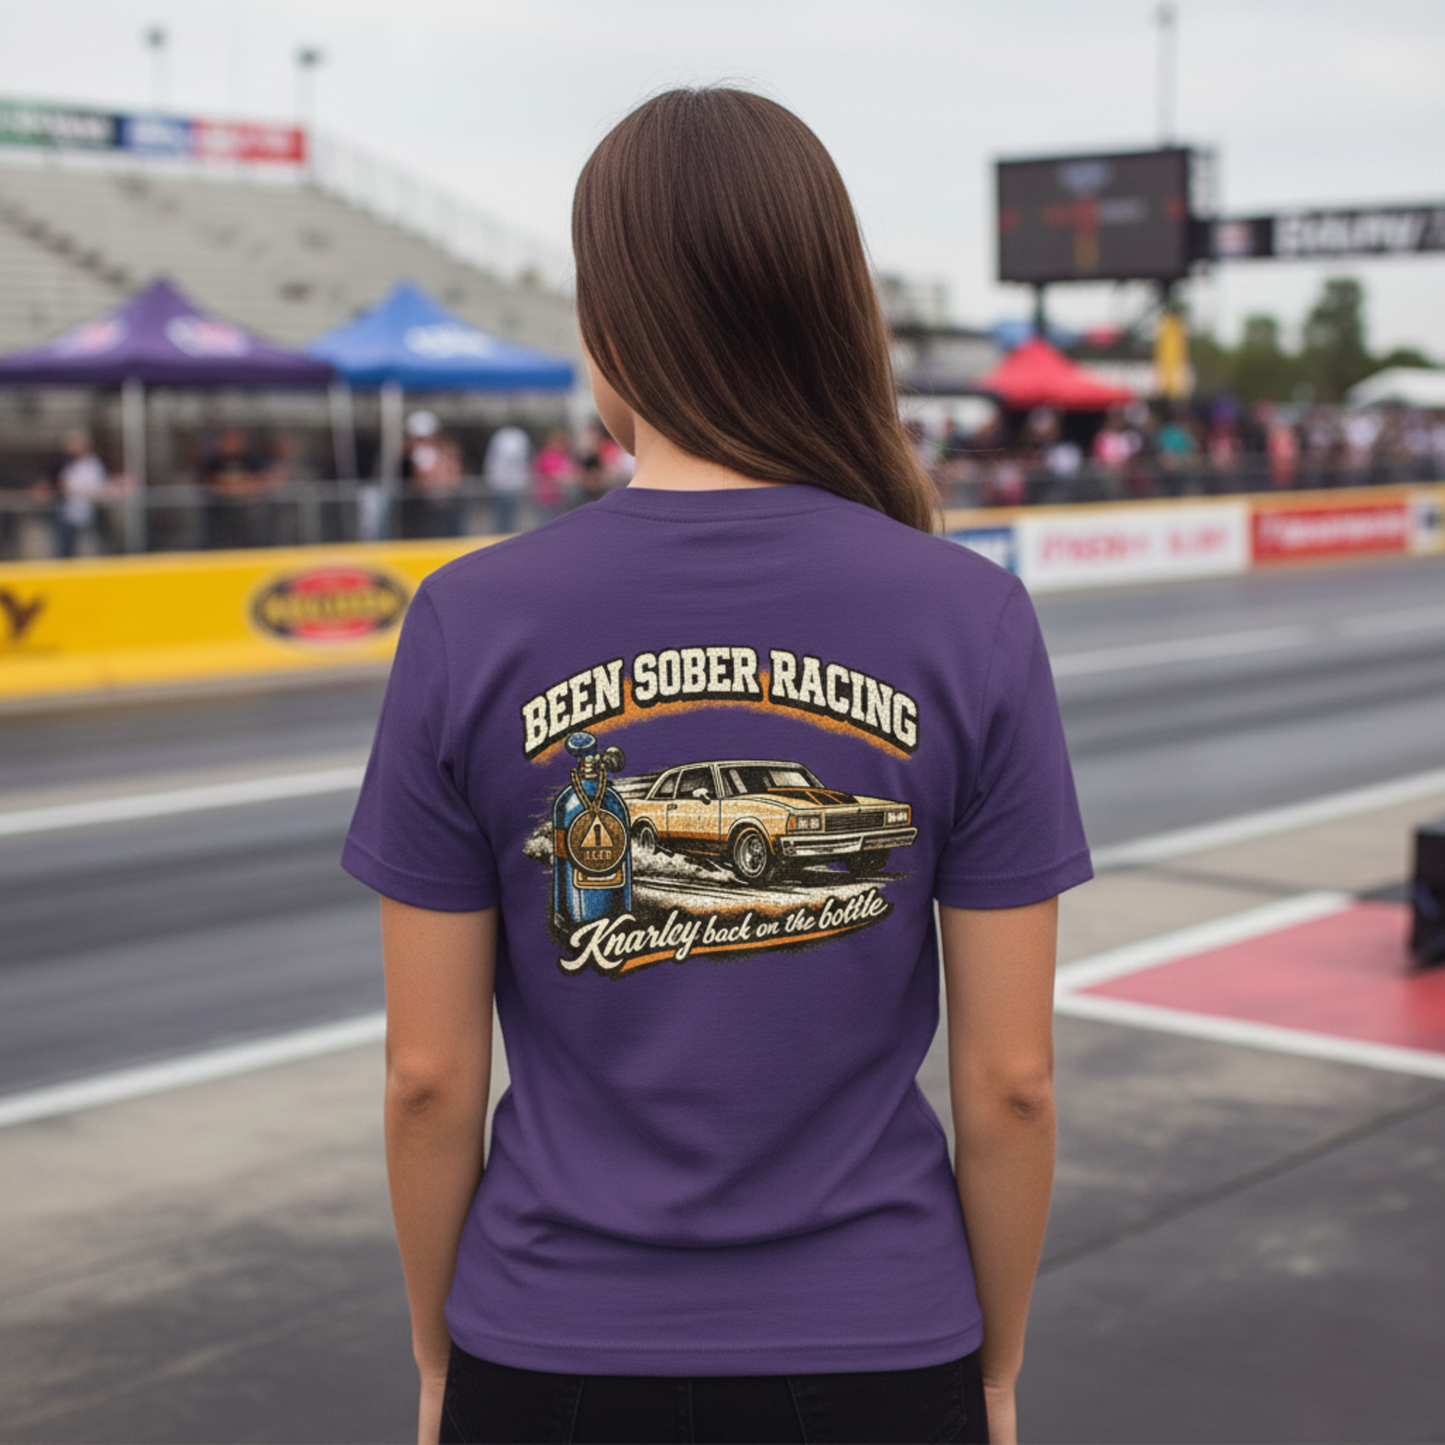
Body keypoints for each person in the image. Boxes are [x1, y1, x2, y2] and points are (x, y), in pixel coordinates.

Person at [343, 87, 1091, 1445]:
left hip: (548, 1340)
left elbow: (426, 1076)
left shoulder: (469, 618)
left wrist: (437, 1352)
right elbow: (1013, 1081)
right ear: (825, 309)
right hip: (881, 1341)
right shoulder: (967, 613)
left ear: (608, 328)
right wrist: (995, 1364)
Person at [45, 431, 125, 558]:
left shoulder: (93, 463)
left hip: (89, 513)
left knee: (91, 549)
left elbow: (98, 486)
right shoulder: (64, 462)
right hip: (67, 513)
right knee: (65, 549)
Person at [483, 425, 533, 535]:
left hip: (514, 485)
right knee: (502, 516)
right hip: (502, 485)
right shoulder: (503, 438)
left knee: (514, 517)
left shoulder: (517, 438)